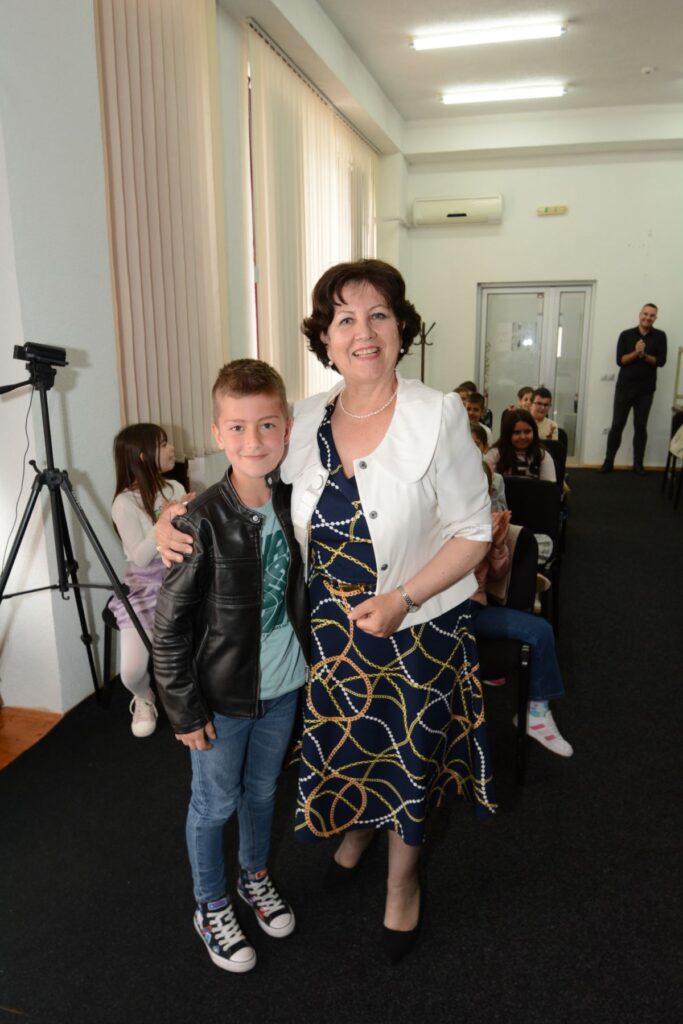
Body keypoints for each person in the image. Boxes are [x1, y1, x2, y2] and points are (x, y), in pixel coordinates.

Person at [284, 258, 495, 962]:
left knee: (408, 758)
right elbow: (248, 483)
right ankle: (357, 829)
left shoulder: (437, 414)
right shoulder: (305, 417)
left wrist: (405, 599)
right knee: (352, 745)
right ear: (324, 336)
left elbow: (474, 531)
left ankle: (401, 885)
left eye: (378, 315)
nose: (363, 332)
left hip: (418, 628)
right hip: (335, 633)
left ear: (402, 328)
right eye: (344, 318)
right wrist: (177, 516)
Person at [152, 360, 309, 974]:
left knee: (263, 792)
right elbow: (168, 628)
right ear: (218, 433)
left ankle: (254, 875)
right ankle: (210, 903)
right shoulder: (200, 520)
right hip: (219, 701)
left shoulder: (297, 500)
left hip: (284, 688)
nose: (254, 441)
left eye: (267, 425)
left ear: (287, 427)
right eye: (237, 428)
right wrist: (184, 710)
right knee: (214, 803)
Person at [469, 508, 572, 757]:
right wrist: (481, 541)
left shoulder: (477, 518)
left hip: (476, 609)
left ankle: (536, 712)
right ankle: (536, 714)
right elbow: (451, 574)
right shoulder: (441, 522)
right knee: (539, 631)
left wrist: (497, 545)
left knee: (540, 630)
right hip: (449, 611)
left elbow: (497, 574)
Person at [110, 423, 189, 737]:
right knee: (131, 672)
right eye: (164, 444)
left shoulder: (176, 488)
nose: (171, 449)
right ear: (143, 456)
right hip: (143, 587)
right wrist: (165, 520)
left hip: (181, 576)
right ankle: (144, 696)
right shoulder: (124, 503)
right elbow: (141, 557)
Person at [599, 303, 667, 474]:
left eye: (651, 315)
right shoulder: (626, 335)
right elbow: (620, 360)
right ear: (640, 314)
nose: (647, 317)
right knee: (617, 425)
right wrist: (636, 353)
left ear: (655, 318)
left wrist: (644, 355)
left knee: (641, 427)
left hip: (646, 390)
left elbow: (661, 362)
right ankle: (608, 462)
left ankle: (638, 464)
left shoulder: (660, 336)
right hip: (624, 388)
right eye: (645, 314)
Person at [486, 409, 557, 483]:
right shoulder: (494, 454)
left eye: (527, 431)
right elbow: (485, 483)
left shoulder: (542, 455)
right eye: (517, 432)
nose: (523, 437)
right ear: (507, 434)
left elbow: (549, 487)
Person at [471, 424, 507, 512]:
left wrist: (491, 488)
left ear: (485, 447)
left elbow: (502, 511)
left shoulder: (496, 479)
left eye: (476, 444)